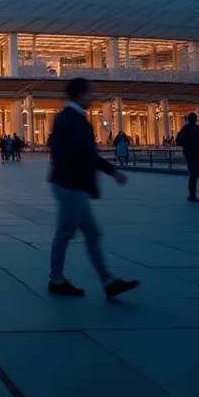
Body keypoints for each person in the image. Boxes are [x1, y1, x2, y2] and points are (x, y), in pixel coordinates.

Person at [46, 78, 139, 299]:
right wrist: (112, 171)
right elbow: (85, 155)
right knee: (65, 233)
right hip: (71, 186)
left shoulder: (69, 118)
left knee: (91, 233)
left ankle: (108, 281)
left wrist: (110, 172)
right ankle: (57, 280)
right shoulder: (71, 119)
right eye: (89, 93)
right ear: (79, 94)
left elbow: (80, 154)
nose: (92, 97)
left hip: (71, 185)